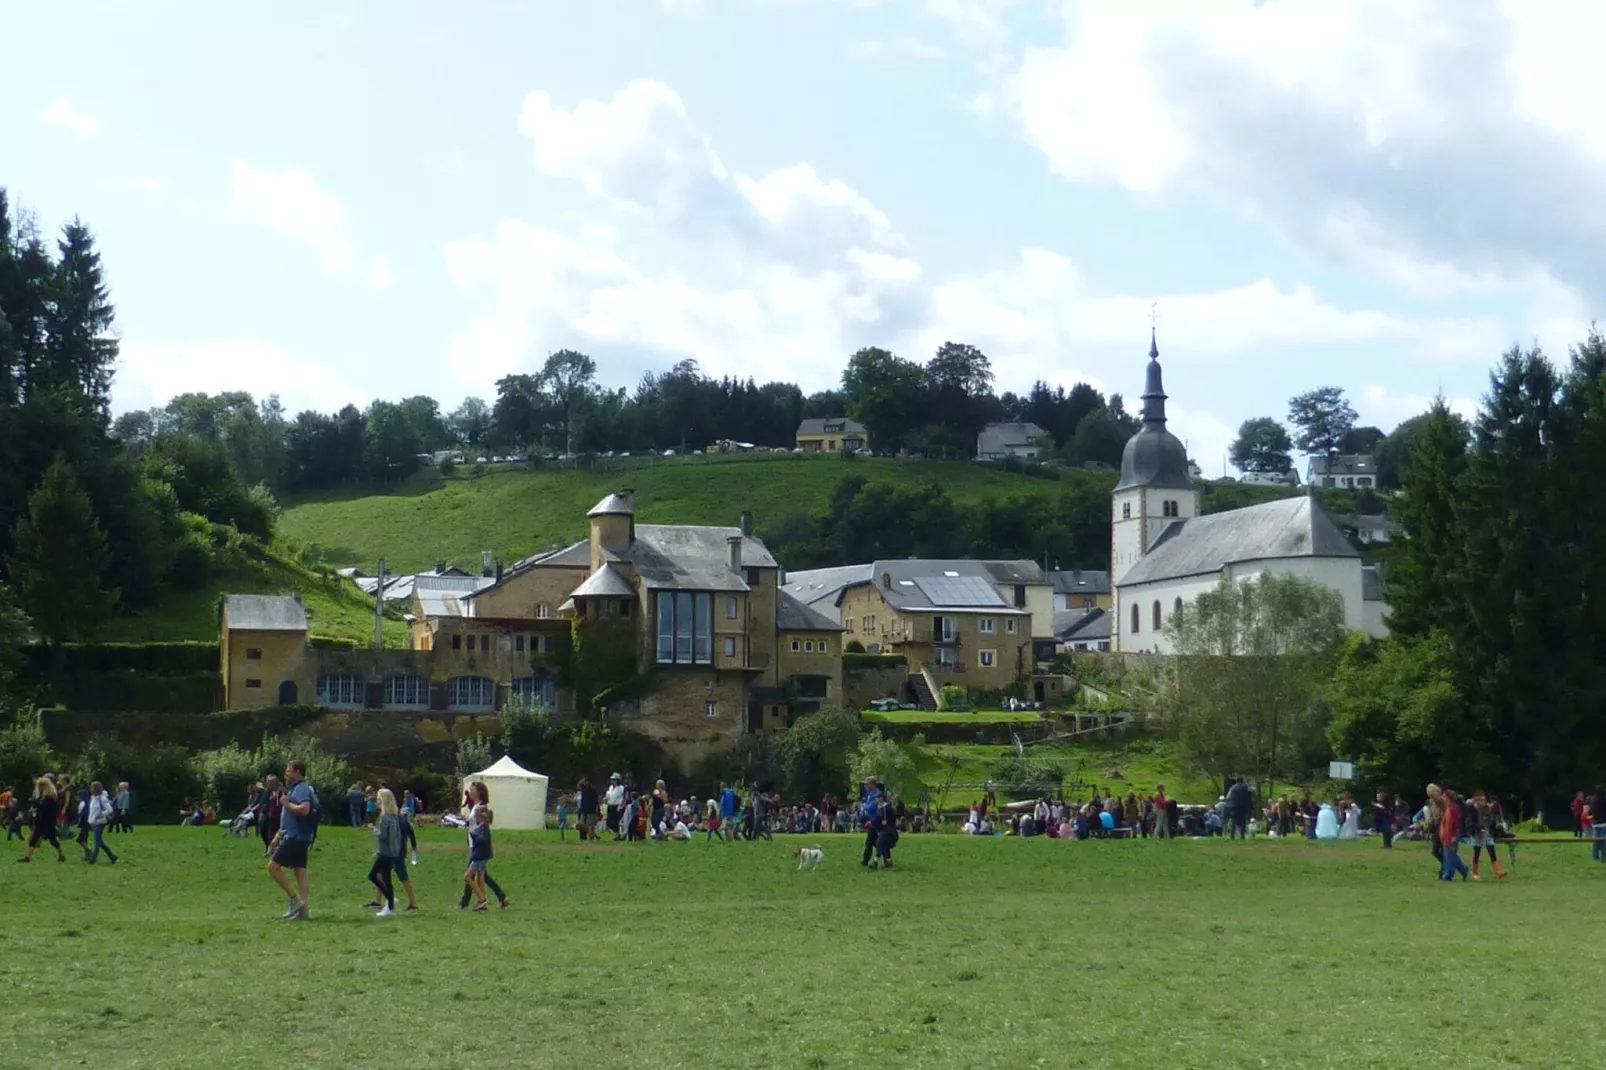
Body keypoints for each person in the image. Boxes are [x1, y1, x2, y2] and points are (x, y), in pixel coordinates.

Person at [267, 760, 317, 920]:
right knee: (299, 872)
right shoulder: (296, 788)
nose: (286, 773)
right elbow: (288, 818)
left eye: (288, 771)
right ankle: (303, 910)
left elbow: (304, 809)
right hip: (297, 835)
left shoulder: (302, 788)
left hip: (295, 837)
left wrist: (286, 803)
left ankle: (294, 901)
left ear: (297, 772)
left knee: (273, 867)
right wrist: (277, 837)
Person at [457, 782, 509, 909]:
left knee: (470, 875)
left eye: (473, 790)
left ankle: (471, 901)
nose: (470, 792)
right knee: (481, 875)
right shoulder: (474, 807)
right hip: (474, 844)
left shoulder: (481, 807)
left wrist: (473, 833)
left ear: (479, 792)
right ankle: (499, 898)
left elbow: (483, 825)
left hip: (478, 845)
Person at [367, 788, 405, 917]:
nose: (377, 802)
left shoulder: (384, 818)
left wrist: (373, 829)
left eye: (378, 799)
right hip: (393, 852)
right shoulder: (395, 817)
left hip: (385, 853)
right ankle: (390, 905)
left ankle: (389, 900)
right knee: (387, 879)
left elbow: (383, 836)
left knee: (372, 876)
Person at [18, 776, 66, 863]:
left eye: (43, 785)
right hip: (39, 821)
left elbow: (47, 808)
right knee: (33, 839)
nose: (40, 787)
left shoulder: (51, 797)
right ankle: (28, 857)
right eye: (39, 785)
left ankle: (61, 854)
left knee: (53, 840)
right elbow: (39, 807)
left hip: (48, 822)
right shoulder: (40, 796)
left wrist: (36, 803)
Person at [1468, 790, 1507, 881]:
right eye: (1481, 800)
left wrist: (1497, 828)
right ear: (1477, 801)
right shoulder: (1473, 810)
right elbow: (1470, 823)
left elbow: (1491, 821)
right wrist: (1478, 828)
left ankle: (1498, 871)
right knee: (1477, 853)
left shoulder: (1488, 810)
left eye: (1484, 800)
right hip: (1478, 834)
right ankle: (1475, 872)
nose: (1483, 802)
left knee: (1492, 852)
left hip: (1487, 833)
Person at [465, 805, 494, 910]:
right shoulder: (483, 827)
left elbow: (481, 841)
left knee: (467, 877)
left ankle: (482, 899)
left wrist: (473, 834)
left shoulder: (483, 828)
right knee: (480, 879)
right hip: (483, 856)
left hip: (479, 856)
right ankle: (482, 903)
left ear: (479, 816)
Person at [1438, 788, 1469, 881]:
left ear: (1448, 798)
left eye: (1444, 796)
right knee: (1450, 855)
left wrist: (1454, 836)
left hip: (1452, 835)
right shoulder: (1446, 808)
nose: (1442, 798)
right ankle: (1464, 870)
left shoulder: (1453, 809)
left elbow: (1456, 824)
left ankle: (1448, 875)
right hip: (1446, 835)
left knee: (1450, 856)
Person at [84, 781, 118, 865]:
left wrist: (101, 814)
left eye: (92, 788)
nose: (90, 789)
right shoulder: (93, 798)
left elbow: (109, 809)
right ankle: (112, 856)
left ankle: (93, 859)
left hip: (100, 822)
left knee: (97, 842)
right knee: (100, 842)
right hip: (93, 822)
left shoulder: (102, 798)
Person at [604, 773, 626, 838]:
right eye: (612, 780)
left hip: (617, 806)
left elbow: (624, 798)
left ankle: (618, 835)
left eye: (614, 780)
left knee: (615, 821)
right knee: (609, 822)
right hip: (610, 805)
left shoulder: (621, 788)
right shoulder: (610, 787)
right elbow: (609, 796)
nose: (612, 781)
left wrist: (621, 805)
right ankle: (618, 833)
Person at [1590, 785, 1606, 863]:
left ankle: (1595, 856)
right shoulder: (1604, 799)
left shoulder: (1592, 800)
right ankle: (1604, 856)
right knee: (1603, 841)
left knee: (1595, 841)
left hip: (1595, 823)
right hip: (1604, 823)